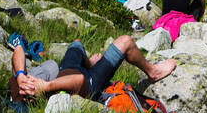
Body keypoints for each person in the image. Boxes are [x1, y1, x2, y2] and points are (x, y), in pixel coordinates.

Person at [9, 33, 177, 108]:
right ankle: (153, 71)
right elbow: (79, 81)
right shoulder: (40, 99)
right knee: (125, 41)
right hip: (88, 85)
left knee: (76, 44)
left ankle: (89, 63)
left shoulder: (19, 88)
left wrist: (20, 76)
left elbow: (18, 50)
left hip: (66, 70)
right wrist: (45, 87)